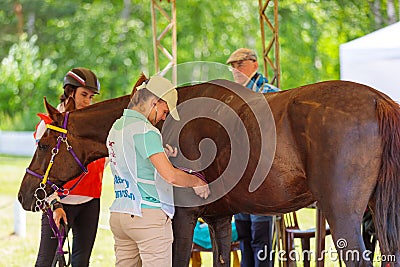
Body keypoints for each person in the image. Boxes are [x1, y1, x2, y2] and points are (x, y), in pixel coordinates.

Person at [106, 75, 210, 267]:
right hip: (148, 217)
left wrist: (163, 155)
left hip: (121, 213)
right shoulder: (146, 131)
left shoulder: (116, 127)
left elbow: (132, 162)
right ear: (155, 102)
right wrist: (197, 182)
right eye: (164, 110)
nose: (164, 117)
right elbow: (170, 176)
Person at [34, 67, 105, 267]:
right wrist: (54, 204)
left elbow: (103, 160)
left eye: (91, 97)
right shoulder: (48, 124)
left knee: (81, 262)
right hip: (60, 204)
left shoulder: (92, 126)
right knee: (45, 262)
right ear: (69, 92)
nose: (88, 102)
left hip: (90, 202)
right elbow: (41, 171)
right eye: (84, 95)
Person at [227, 48, 279, 267]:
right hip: (240, 175)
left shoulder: (269, 92)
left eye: (241, 64)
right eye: (232, 66)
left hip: (262, 174)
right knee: (244, 236)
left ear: (255, 65)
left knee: (261, 236)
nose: (235, 70)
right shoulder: (231, 96)